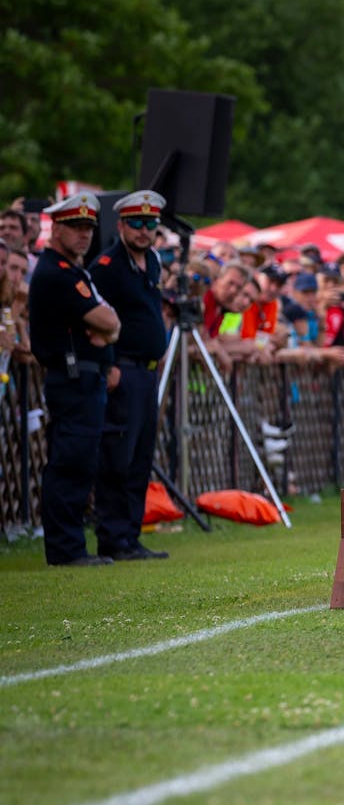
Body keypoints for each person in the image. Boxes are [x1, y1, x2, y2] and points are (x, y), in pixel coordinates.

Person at [28, 194, 122, 566]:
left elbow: (109, 324)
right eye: (76, 228)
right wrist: (105, 329)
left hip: (82, 379)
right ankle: (65, 549)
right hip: (72, 380)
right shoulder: (58, 272)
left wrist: (107, 331)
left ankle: (69, 546)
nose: (84, 235)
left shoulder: (72, 270)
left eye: (88, 228)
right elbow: (109, 322)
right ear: (57, 229)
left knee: (79, 462)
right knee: (69, 463)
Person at [88, 190, 172, 562]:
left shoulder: (152, 261)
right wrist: (109, 363)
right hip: (123, 369)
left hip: (147, 372)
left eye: (150, 223)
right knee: (116, 456)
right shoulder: (106, 266)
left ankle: (131, 536)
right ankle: (112, 538)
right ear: (121, 224)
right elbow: (93, 318)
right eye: (136, 223)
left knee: (139, 457)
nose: (144, 230)